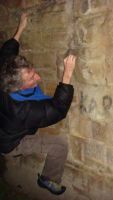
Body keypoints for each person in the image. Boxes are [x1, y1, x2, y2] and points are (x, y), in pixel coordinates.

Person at [0, 13, 76, 195]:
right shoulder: (21, 111)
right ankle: (48, 179)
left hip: (5, 127)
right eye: (32, 78)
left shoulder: (4, 72)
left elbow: (6, 53)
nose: (39, 77)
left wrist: (21, 27)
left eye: (33, 71)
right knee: (59, 145)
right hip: (9, 143)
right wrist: (67, 74)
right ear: (17, 88)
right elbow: (57, 109)